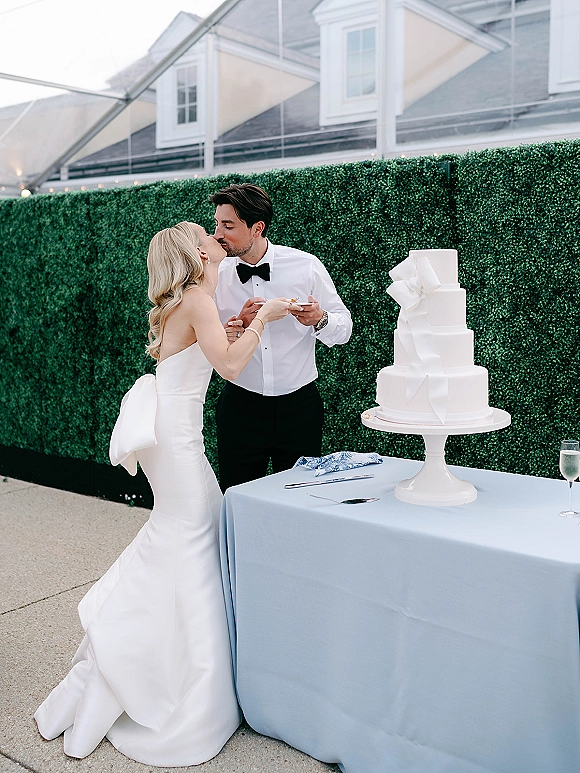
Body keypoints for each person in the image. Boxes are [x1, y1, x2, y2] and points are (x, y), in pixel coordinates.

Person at [34, 222, 292, 766]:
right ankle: (157, 666)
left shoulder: (198, 301)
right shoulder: (198, 297)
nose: (217, 238)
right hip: (175, 439)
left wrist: (238, 323)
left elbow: (208, 347)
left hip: (174, 433)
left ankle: (162, 660)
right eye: (209, 234)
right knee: (191, 528)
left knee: (191, 528)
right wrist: (264, 319)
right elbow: (228, 364)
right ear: (197, 252)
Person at [212, 183, 352, 491]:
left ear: (257, 227)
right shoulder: (215, 276)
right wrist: (236, 328)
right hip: (240, 408)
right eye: (217, 224)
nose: (218, 234)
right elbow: (208, 342)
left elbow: (344, 327)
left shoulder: (306, 266)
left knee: (301, 501)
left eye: (228, 225)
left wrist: (320, 319)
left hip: (300, 409)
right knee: (238, 497)